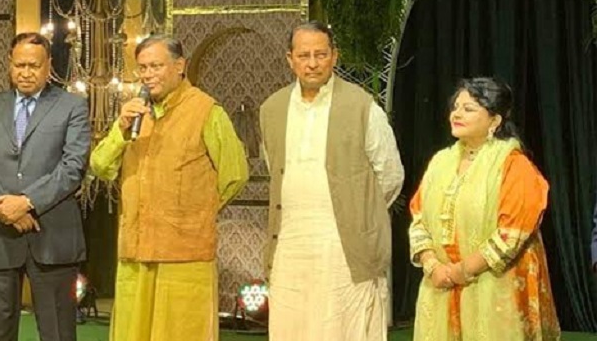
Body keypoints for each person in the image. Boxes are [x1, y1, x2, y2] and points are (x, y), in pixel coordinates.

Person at [90, 35, 249, 341]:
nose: (148, 75)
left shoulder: (206, 111)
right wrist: (121, 129)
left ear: (179, 66)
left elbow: (235, 175)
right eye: (143, 68)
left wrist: (196, 212)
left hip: (185, 254)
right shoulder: (134, 114)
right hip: (136, 251)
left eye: (156, 66)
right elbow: (100, 165)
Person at [259, 21, 404, 341]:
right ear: (290, 59)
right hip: (291, 243)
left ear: (334, 56)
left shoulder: (362, 106)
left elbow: (391, 175)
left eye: (321, 54)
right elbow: (276, 171)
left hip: (343, 248)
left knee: (344, 327)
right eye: (304, 55)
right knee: (291, 328)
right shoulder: (272, 109)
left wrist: (358, 213)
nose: (312, 63)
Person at [408, 77, 560, 340]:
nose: (456, 114)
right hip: (440, 286)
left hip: (496, 290)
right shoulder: (440, 162)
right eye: (455, 107)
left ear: (494, 120)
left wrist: (462, 271)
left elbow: (510, 235)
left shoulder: (514, 165)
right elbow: (418, 218)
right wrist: (432, 265)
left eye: (468, 109)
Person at [0, 32, 91, 341]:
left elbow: (73, 167)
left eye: (34, 65)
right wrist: (5, 206)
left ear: (49, 66)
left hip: (53, 237)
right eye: (19, 65)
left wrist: (27, 202)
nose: (26, 72)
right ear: (10, 64)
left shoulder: (72, 106)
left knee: (58, 333)